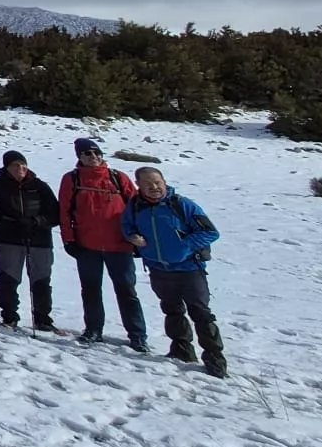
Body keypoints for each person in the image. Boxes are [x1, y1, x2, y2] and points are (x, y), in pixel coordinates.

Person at [124, 168, 227, 378]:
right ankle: (181, 351)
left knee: (201, 313)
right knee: (172, 310)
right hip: (158, 268)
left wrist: (184, 247)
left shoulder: (182, 205)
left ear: (164, 182)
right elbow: (127, 226)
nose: (154, 188)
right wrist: (133, 237)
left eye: (157, 182)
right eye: (148, 184)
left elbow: (210, 232)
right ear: (138, 186)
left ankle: (214, 359)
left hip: (189, 269)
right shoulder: (135, 207)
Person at [58, 137, 145, 350]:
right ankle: (94, 329)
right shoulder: (72, 179)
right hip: (87, 246)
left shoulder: (118, 178)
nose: (93, 157)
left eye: (97, 153)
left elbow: (137, 208)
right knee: (90, 290)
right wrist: (69, 240)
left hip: (119, 246)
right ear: (79, 157)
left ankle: (137, 335)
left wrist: (137, 238)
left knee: (127, 290)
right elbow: (64, 212)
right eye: (87, 154)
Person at [0, 150, 63, 332]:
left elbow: (54, 214)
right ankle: (9, 316)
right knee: (8, 279)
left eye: (23, 165)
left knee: (41, 280)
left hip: (39, 239)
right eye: (15, 165)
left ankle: (43, 318)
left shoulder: (39, 186)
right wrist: (11, 224)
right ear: (7, 167)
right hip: (9, 239)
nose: (20, 169)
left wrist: (36, 222)